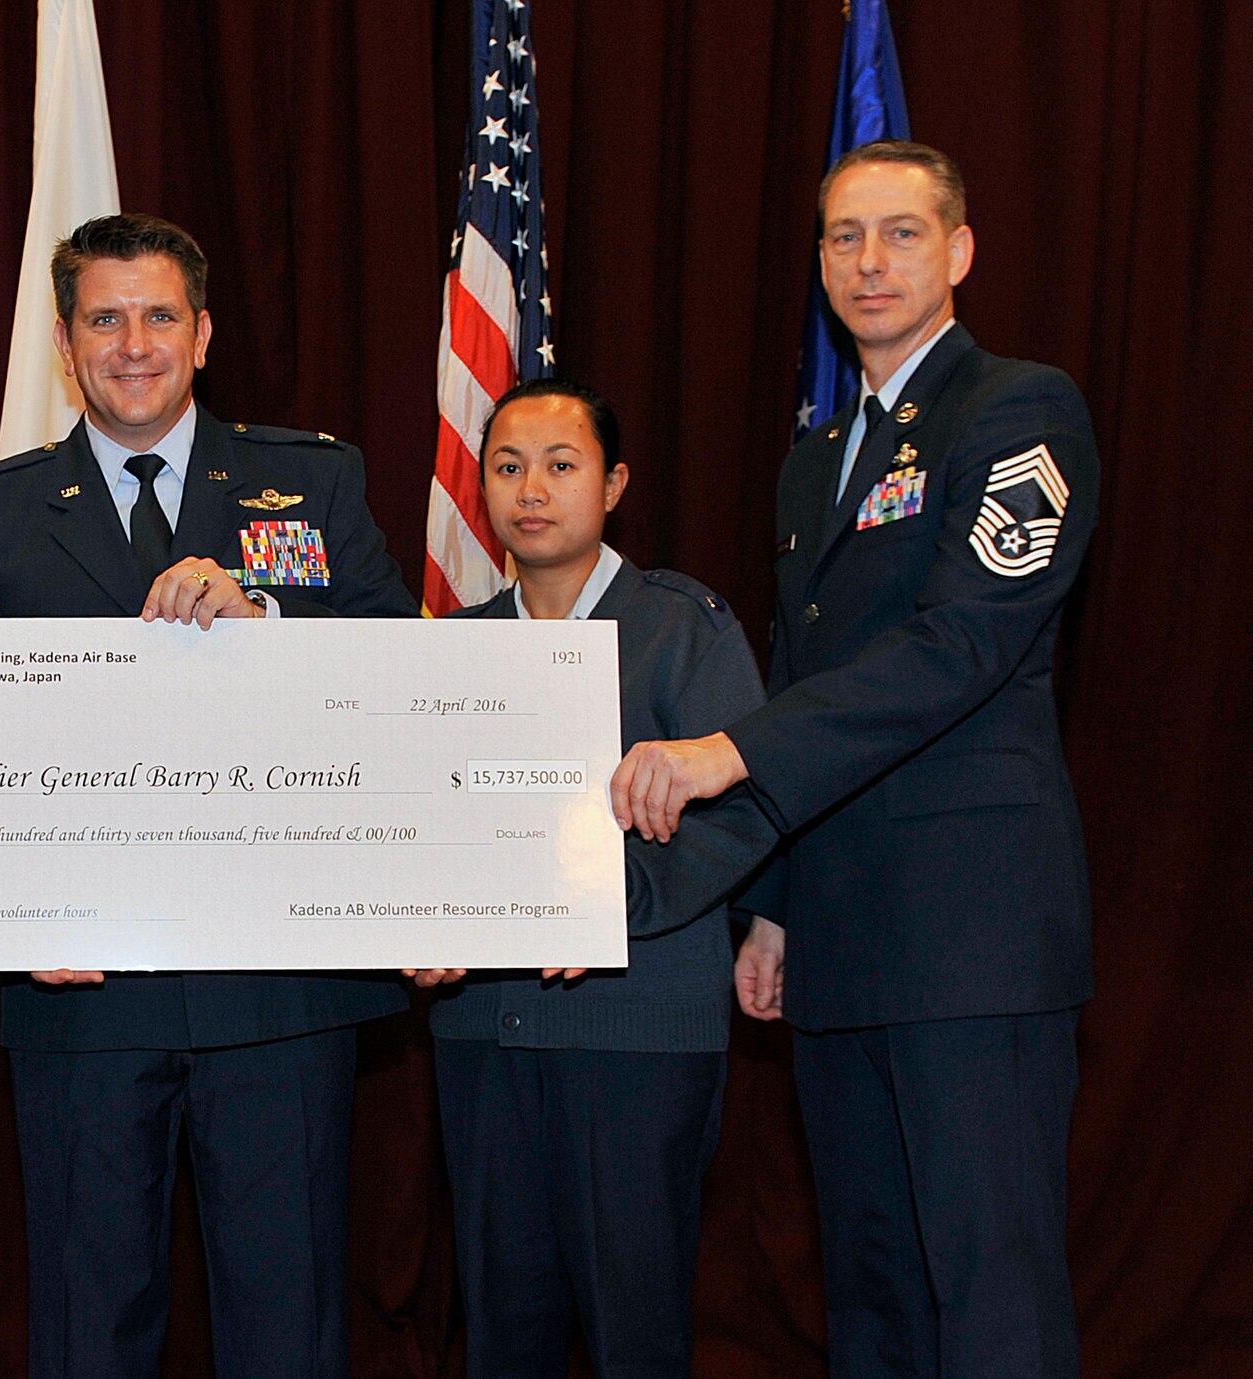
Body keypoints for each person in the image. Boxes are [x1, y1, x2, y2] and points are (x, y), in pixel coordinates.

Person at [610, 140, 1098, 1376]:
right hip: (839, 928)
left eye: (899, 232)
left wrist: (730, 750)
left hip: (970, 932)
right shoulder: (813, 459)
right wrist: (774, 904)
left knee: (987, 1288)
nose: (868, 261)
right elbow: (805, 673)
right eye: (842, 236)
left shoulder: (1018, 408)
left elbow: (959, 644)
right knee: (870, 1289)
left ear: (958, 251)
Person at [0, 212, 415, 1379]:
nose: (133, 343)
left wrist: (267, 618)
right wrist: (14, 912)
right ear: (63, 344)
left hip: (281, 981)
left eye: (158, 315)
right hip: (83, 986)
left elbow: (398, 678)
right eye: (104, 318)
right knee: (87, 1326)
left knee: (288, 1327)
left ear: (201, 334)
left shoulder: (311, 479)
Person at [407, 379, 768, 1377]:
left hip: (635, 1032)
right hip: (484, 1031)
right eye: (507, 466)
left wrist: (597, 901)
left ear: (612, 485)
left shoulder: (683, 627)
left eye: (560, 465)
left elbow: (745, 816)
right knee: (503, 1326)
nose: (531, 490)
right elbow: (423, 826)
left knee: (632, 1326)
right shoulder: (451, 649)